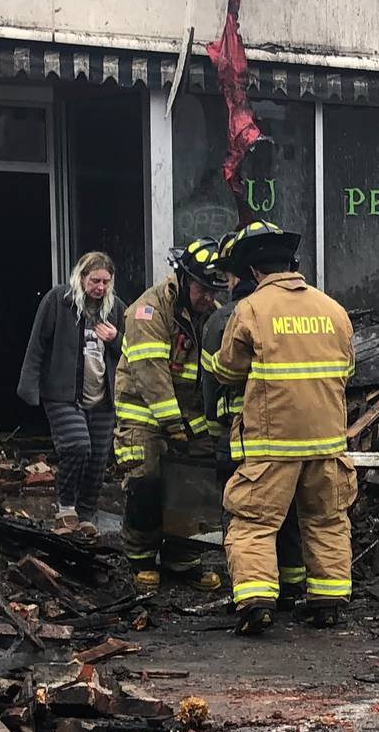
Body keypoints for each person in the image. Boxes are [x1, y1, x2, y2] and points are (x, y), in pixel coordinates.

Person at [210, 220, 357, 636]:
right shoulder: (333, 309)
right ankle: (327, 601)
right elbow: (348, 368)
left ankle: (256, 603)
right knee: (327, 519)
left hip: (273, 443)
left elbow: (229, 369)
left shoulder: (252, 309)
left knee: (253, 521)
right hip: (328, 442)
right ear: (294, 264)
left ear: (255, 271)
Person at [201, 229, 306, 610]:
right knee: (289, 513)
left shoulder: (226, 319)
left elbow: (214, 382)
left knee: (245, 516)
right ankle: (292, 586)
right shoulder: (307, 311)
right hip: (297, 435)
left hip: (243, 437)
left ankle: (249, 594)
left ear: (239, 274)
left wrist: (213, 435)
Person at [113, 238, 226, 592]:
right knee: (146, 478)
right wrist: (172, 424)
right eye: (203, 289)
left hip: (186, 414)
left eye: (214, 291)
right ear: (183, 278)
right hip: (144, 412)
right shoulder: (148, 310)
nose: (209, 298)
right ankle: (142, 559)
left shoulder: (210, 314)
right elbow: (151, 372)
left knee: (194, 481)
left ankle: (183, 557)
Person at [17, 252, 125, 541]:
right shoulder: (58, 301)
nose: (100, 287)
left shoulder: (115, 309)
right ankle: (66, 505)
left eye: (106, 281)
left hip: (103, 397)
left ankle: (87, 513)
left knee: (99, 457)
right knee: (78, 446)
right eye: (95, 280)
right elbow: (37, 343)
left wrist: (116, 339)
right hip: (62, 393)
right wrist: (29, 386)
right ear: (81, 277)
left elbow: (132, 353)